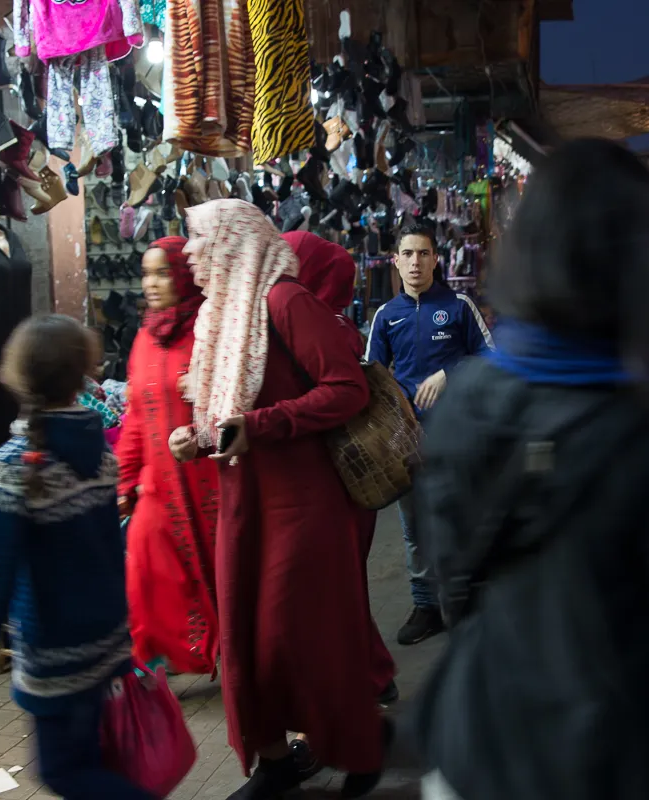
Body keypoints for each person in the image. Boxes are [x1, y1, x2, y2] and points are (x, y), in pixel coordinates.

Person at [406, 138, 649, 800]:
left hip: (481, 753)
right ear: (644, 263)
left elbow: (455, 590)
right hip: (625, 767)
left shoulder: (466, 403)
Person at [169, 200, 386, 800]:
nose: (188, 252)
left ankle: (359, 745)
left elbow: (347, 389)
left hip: (301, 504)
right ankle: (274, 761)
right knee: (246, 635)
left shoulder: (285, 302)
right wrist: (199, 436)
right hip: (246, 499)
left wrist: (260, 425)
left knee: (300, 635)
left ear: (234, 242)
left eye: (199, 238)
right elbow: (222, 413)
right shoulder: (221, 317)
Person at [0, 315, 147, 799]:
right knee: (92, 761)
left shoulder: (11, 467)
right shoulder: (101, 456)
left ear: (19, 375)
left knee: (62, 772)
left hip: (54, 654)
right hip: (106, 640)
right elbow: (110, 551)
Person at [364, 221, 493, 646]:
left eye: (423, 254)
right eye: (408, 255)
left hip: (458, 436)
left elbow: (490, 359)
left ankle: (468, 602)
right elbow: (371, 377)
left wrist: (447, 373)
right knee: (415, 528)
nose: (416, 262)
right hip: (407, 443)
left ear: (436, 259)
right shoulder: (387, 316)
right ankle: (427, 606)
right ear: (396, 262)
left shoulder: (459, 306)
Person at [284, 230, 397, 706]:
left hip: (339, 482)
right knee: (341, 589)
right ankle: (370, 675)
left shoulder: (321, 329)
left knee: (336, 590)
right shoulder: (330, 323)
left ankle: (365, 681)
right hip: (343, 481)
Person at [115, 237, 220, 676]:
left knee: (217, 579)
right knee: (144, 572)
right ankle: (151, 662)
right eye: (146, 274)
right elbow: (135, 416)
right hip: (159, 485)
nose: (151, 284)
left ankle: (227, 655)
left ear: (183, 275)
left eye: (161, 273)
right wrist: (124, 483)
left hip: (210, 486)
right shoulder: (145, 336)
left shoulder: (211, 330)